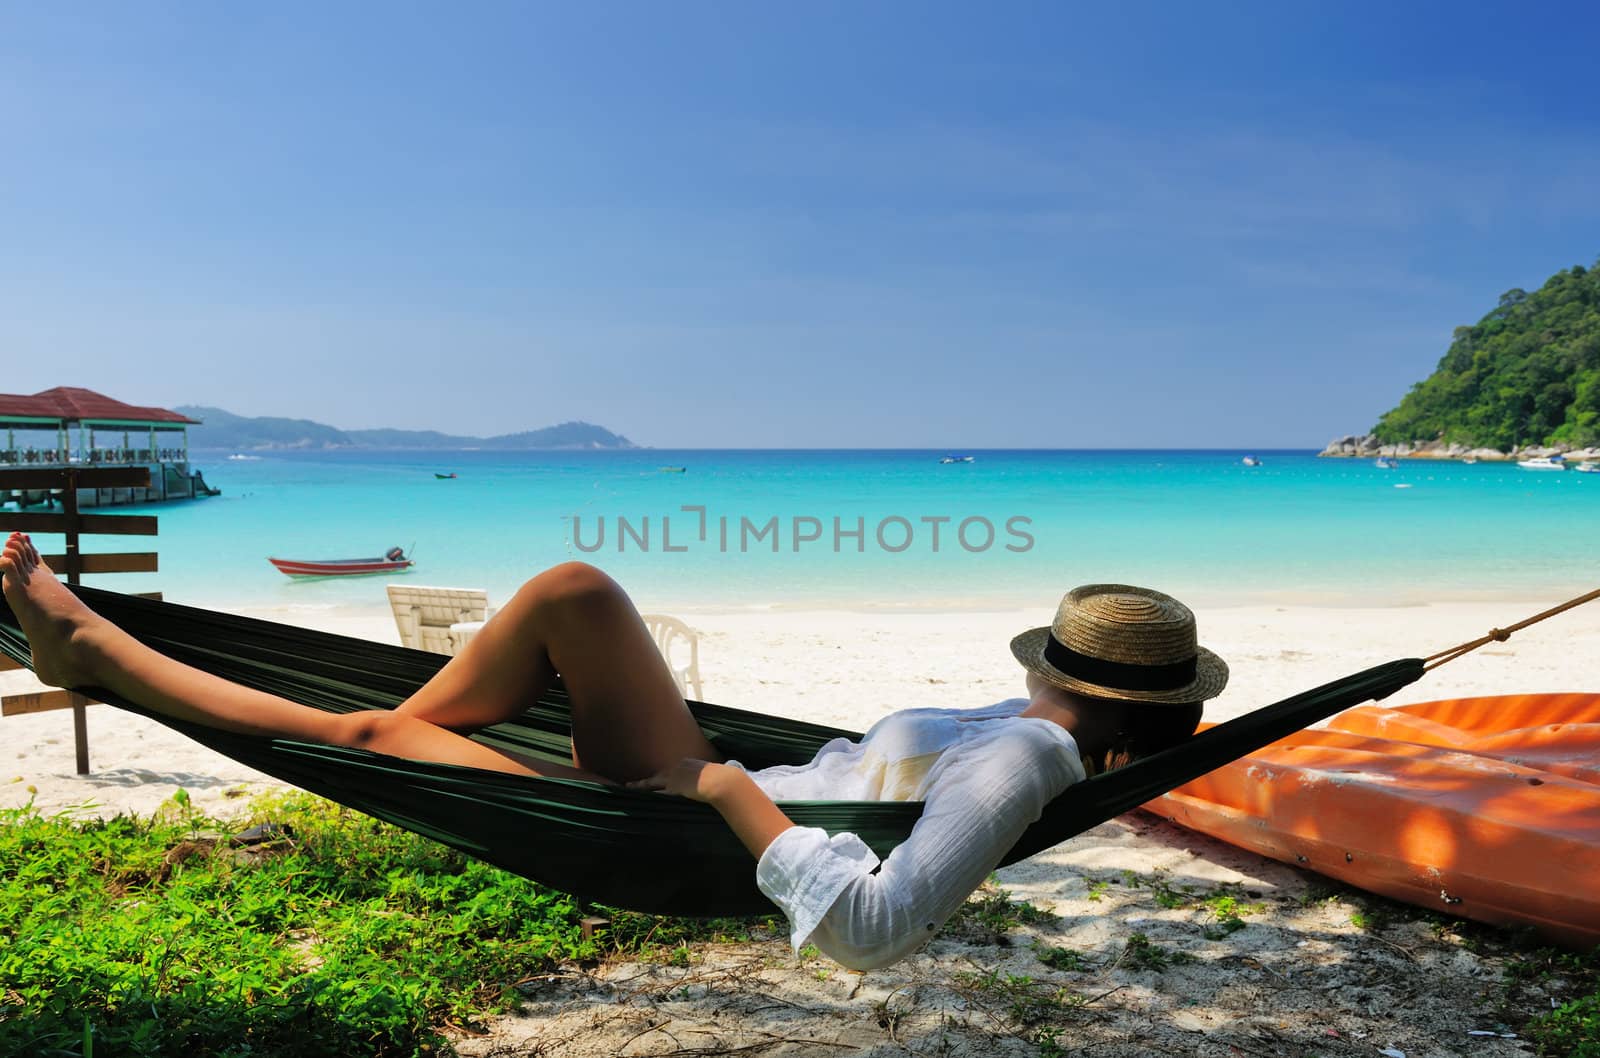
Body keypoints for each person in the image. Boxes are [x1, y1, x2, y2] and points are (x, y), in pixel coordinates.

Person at [0, 531, 1226, 969]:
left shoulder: (1023, 765)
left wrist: (725, 785)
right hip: (698, 781)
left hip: (684, 824)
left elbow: (874, 926)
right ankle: (408, 727)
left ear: (1068, 677)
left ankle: (92, 649)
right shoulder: (1019, 727)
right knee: (573, 592)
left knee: (374, 731)